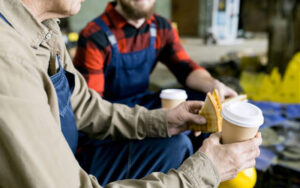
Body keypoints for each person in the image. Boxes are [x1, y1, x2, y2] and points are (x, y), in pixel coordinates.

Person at [0, 0, 262, 187]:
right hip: (79, 152)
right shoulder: (9, 59)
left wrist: (164, 120)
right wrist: (203, 173)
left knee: (179, 141)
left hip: (96, 126)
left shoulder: (47, 29)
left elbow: (84, 105)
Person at [73, 0, 238, 110]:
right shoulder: (94, 35)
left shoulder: (161, 27)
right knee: (178, 143)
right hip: (109, 114)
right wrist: (156, 123)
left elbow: (185, 68)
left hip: (143, 103)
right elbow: (91, 107)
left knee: (204, 102)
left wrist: (214, 85)